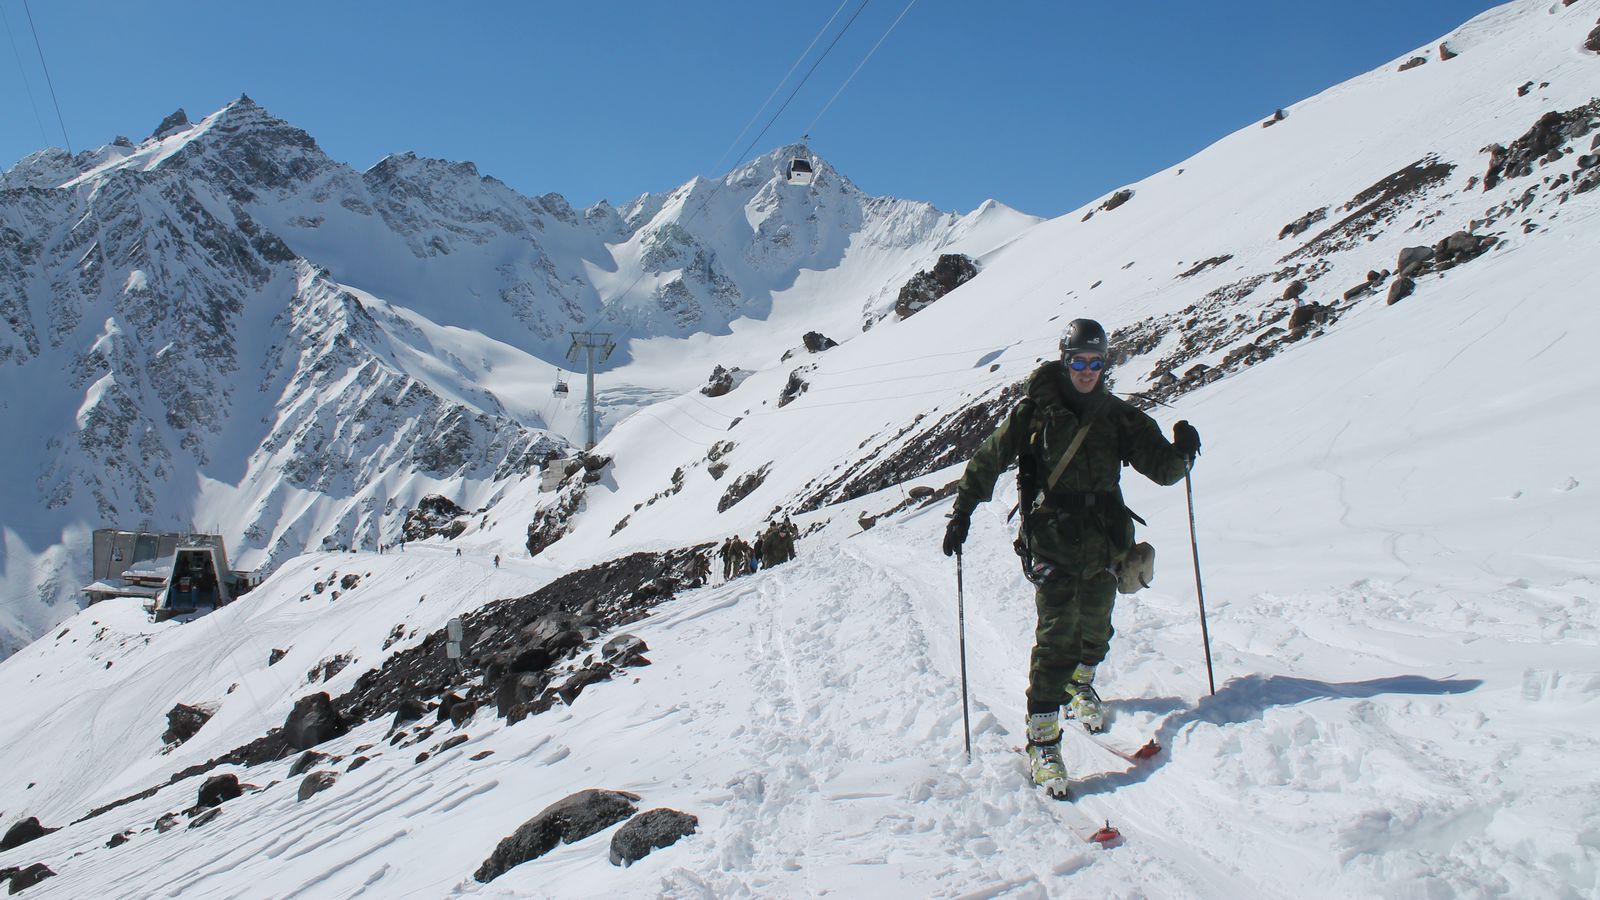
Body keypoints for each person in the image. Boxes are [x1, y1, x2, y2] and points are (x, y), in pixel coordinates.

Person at [941, 318, 1200, 798]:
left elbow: (1162, 470)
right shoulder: (1034, 414)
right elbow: (988, 459)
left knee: (1096, 628)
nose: (1086, 370)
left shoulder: (1116, 415)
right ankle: (1043, 741)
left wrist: (1183, 451)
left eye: (1095, 362)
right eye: (1078, 361)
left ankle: (1082, 684)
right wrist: (962, 513)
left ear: (1105, 364)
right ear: (1064, 360)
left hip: (1106, 544)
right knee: (1057, 636)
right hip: (1054, 543)